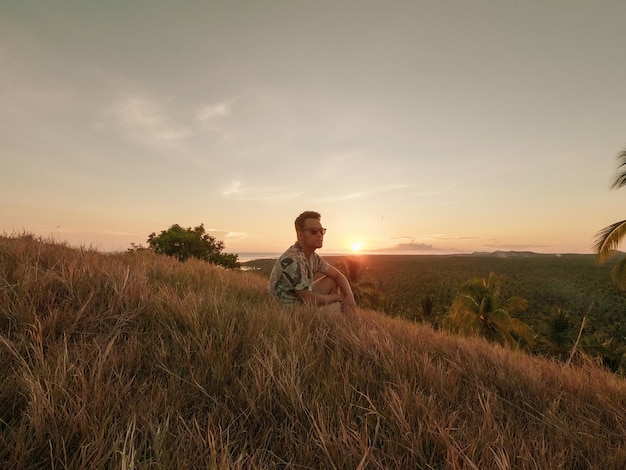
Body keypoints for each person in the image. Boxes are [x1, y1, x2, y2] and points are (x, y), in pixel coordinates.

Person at [269, 211, 357, 312]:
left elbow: (337, 275)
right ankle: (332, 322)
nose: (319, 235)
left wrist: (350, 295)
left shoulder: (312, 257)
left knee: (331, 281)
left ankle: (330, 317)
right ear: (300, 235)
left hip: (300, 299)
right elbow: (308, 299)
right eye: (314, 231)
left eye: (321, 231)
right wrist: (338, 298)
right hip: (287, 309)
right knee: (338, 307)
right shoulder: (293, 260)